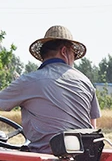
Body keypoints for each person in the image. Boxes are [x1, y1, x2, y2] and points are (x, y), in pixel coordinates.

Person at [0, 25, 100, 153]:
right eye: (73, 55)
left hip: (45, 156)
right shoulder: (86, 82)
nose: (73, 60)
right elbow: (93, 127)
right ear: (64, 52)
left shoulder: (29, 81)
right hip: (84, 158)